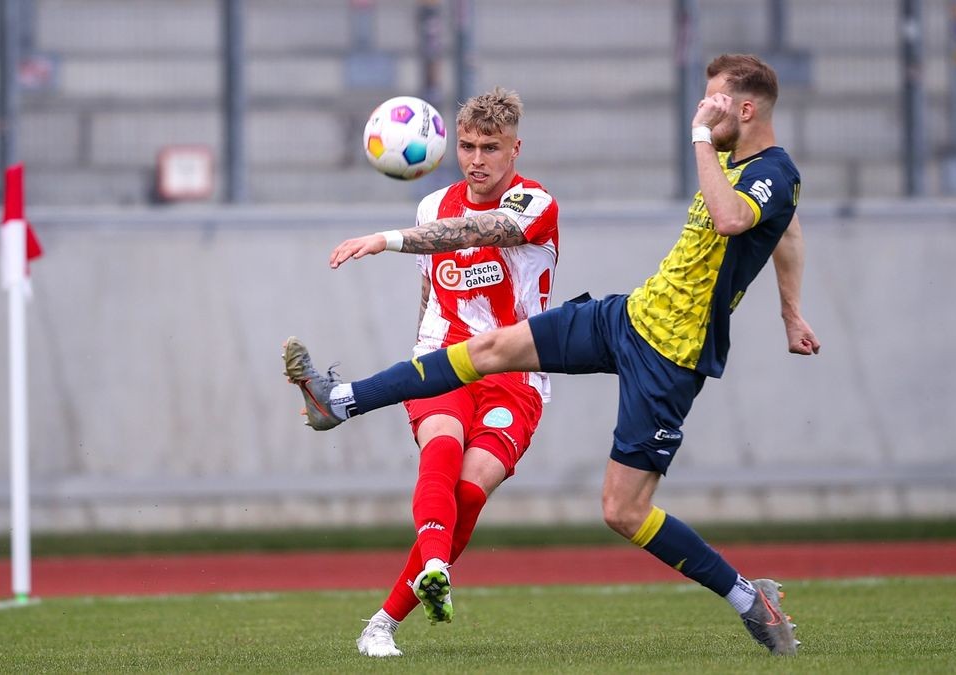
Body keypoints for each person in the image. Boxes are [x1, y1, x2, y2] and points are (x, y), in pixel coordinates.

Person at [284, 54, 818, 656]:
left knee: (623, 510)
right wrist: (790, 310)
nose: (705, 110)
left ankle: (750, 598)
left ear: (744, 110)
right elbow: (787, 229)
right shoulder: (733, 162)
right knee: (484, 347)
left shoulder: (769, 169)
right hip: (630, 316)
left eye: (715, 101)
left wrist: (699, 133)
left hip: (673, 355)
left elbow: (733, 218)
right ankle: (340, 400)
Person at [299, 87, 560, 657]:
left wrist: (384, 239)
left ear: (516, 149)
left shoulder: (534, 204)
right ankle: (429, 574)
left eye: (490, 147)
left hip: (517, 374)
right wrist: (421, 360)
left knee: (469, 491)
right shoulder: (430, 205)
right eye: (466, 146)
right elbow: (430, 287)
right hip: (443, 359)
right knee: (441, 447)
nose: (476, 159)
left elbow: (478, 232)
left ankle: (385, 618)